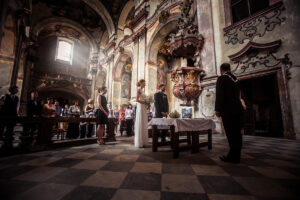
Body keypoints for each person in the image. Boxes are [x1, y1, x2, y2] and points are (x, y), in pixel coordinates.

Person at [215, 63, 245, 163]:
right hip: (238, 109)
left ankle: (232, 157)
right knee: (237, 134)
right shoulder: (235, 79)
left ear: (221, 69)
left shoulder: (222, 78)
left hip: (228, 110)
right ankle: (236, 156)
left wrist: (218, 109)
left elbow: (220, 95)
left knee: (231, 134)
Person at [134, 79, 149, 148]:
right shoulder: (138, 90)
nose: (145, 84)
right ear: (141, 83)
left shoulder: (143, 90)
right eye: (144, 83)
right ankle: (139, 141)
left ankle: (144, 141)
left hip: (144, 107)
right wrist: (144, 102)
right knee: (140, 121)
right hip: (140, 107)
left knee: (144, 122)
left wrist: (147, 103)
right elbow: (137, 100)